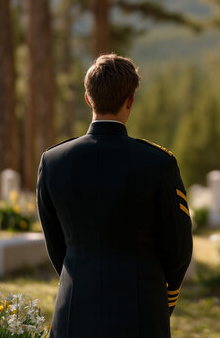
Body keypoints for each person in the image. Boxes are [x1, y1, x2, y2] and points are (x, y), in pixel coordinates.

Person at [37, 54, 193, 337]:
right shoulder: (158, 162)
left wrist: (82, 282)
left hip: (74, 309)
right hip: (141, 310)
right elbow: (179, 248)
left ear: (87, 98)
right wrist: (161, 299)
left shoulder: (53, 161)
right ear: (131, 100)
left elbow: (55, 244)